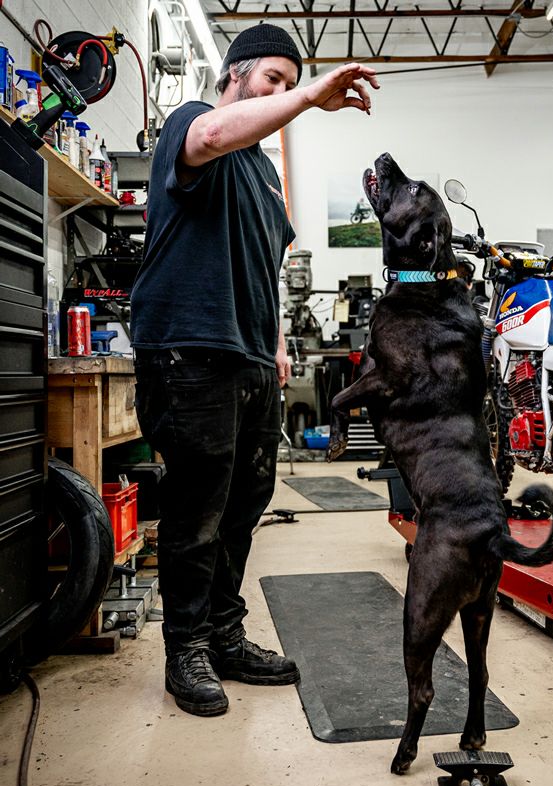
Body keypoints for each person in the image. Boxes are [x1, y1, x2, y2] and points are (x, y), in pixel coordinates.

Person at [130, 24, 379, 717]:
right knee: (197, 509)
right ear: (234, 73)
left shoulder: (266, 175)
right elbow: (212, 136)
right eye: (272, 77)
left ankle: (223, 635)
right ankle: (186, 648)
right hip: (188, 351)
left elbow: (265, 264)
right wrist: (308, 96)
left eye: (288, 82)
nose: (281, 91)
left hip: (250, 359)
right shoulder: (194, 122)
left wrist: (274, 343)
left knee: (244, 506)